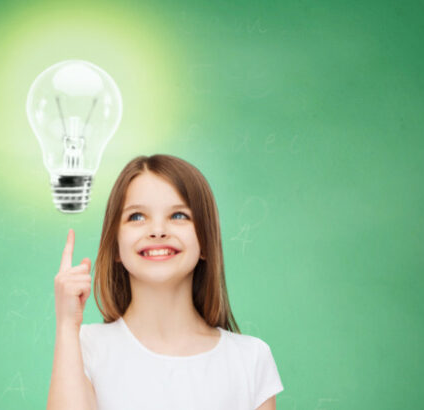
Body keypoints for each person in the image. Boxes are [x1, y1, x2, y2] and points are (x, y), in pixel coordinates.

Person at [47, 154, 284, 410]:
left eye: (179, 215)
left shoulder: (250, 359)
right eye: (137, 217)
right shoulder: (84, 347)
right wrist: (66, 324)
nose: (157, 230)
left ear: (205, 241)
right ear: (115, 245)